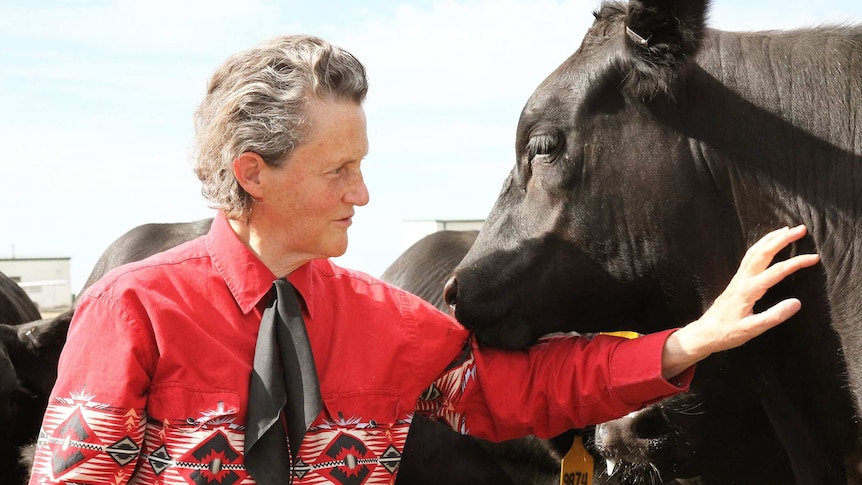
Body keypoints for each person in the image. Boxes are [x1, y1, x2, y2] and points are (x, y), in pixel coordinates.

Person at [27, 34, 819, 485]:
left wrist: (692, 340)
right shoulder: (129, 313)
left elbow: (524, 389)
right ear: (252, 172)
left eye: (361, 164)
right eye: (337, 169)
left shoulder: (385, 324)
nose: (362, 193)